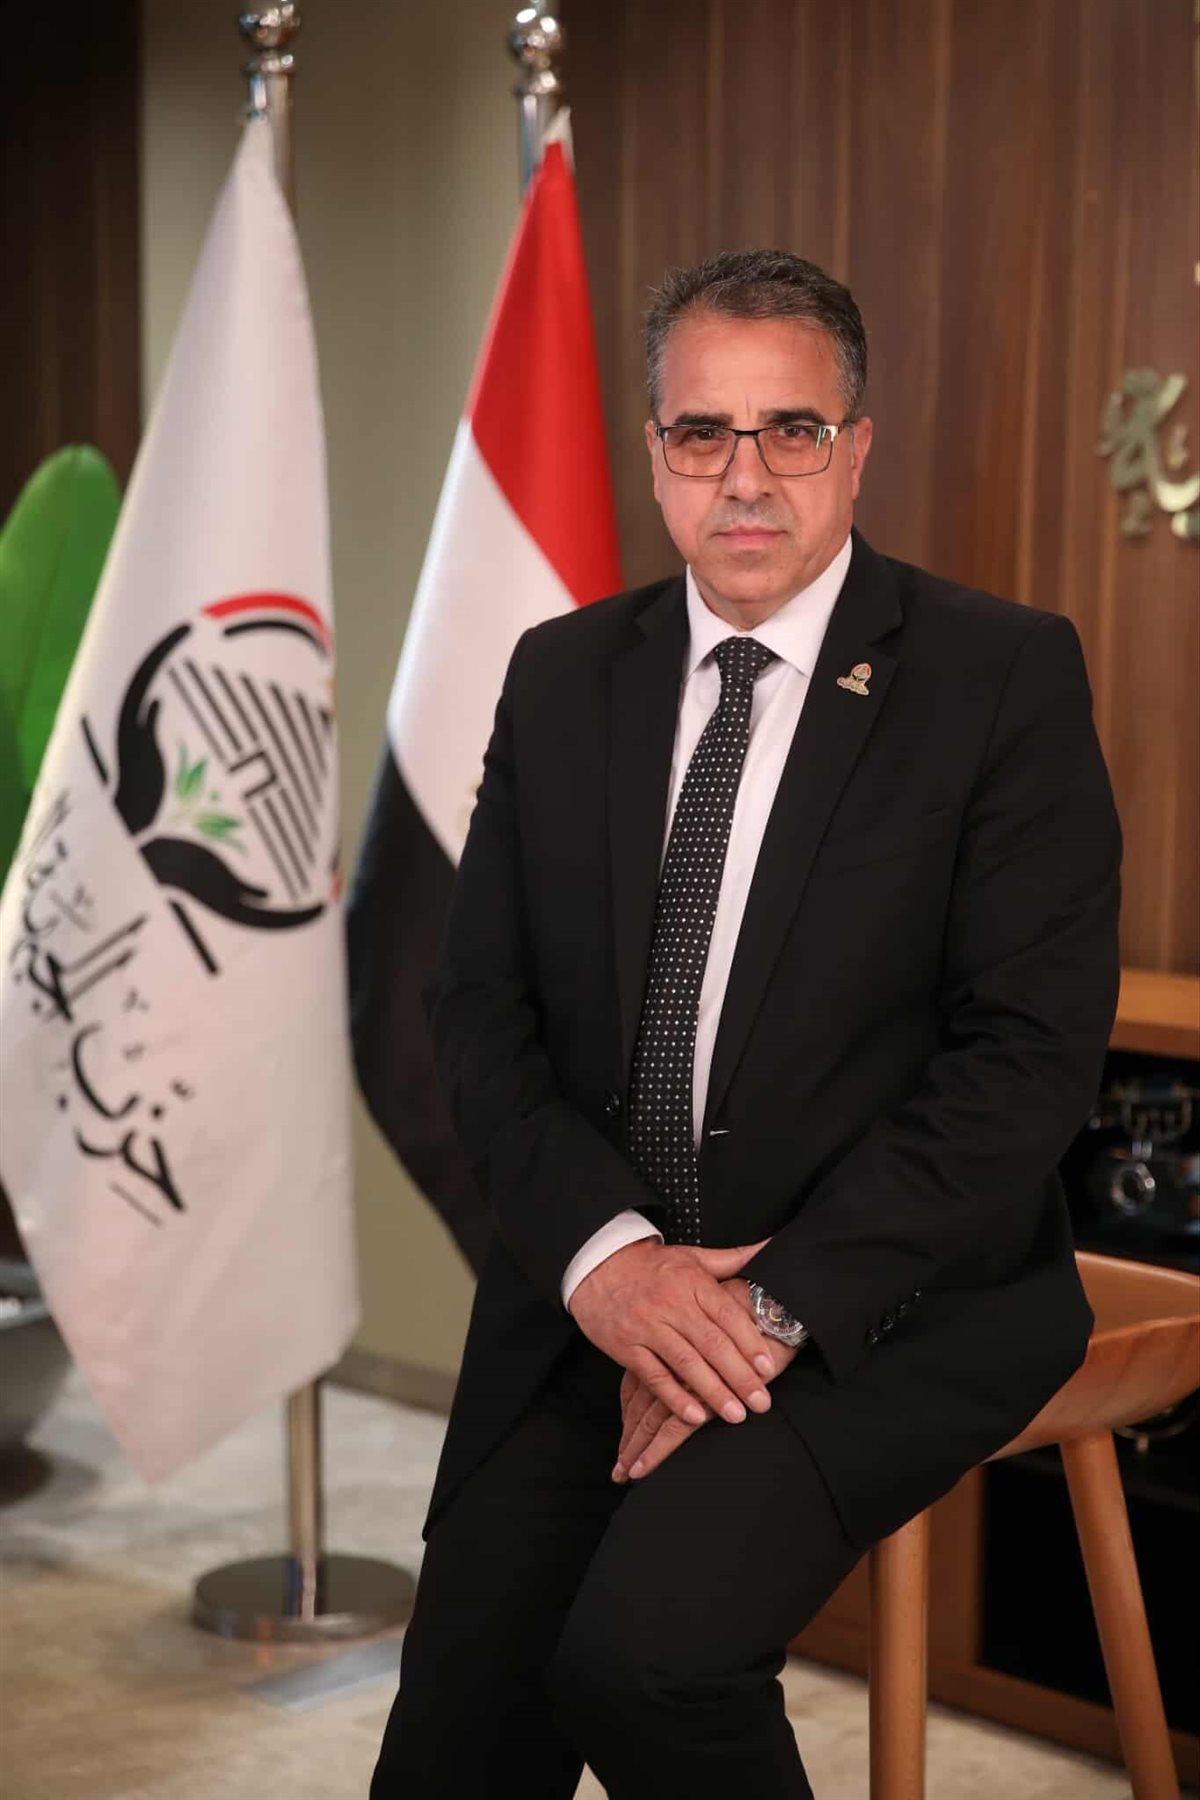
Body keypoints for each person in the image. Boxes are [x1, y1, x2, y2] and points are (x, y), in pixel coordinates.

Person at [370, 250, 1121, 1799]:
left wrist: (765, 1308)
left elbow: (1026, 1062)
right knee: (458, 1732)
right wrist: (612, 1267)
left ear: (858, 447)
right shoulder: (564, 675)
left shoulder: (999, 676)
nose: (748, 475)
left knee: (643, 1663)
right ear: (656, 455)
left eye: (792, 428)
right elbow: (479, 1012)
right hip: (602, 1282)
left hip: (881, 1291)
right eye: (703, 432)